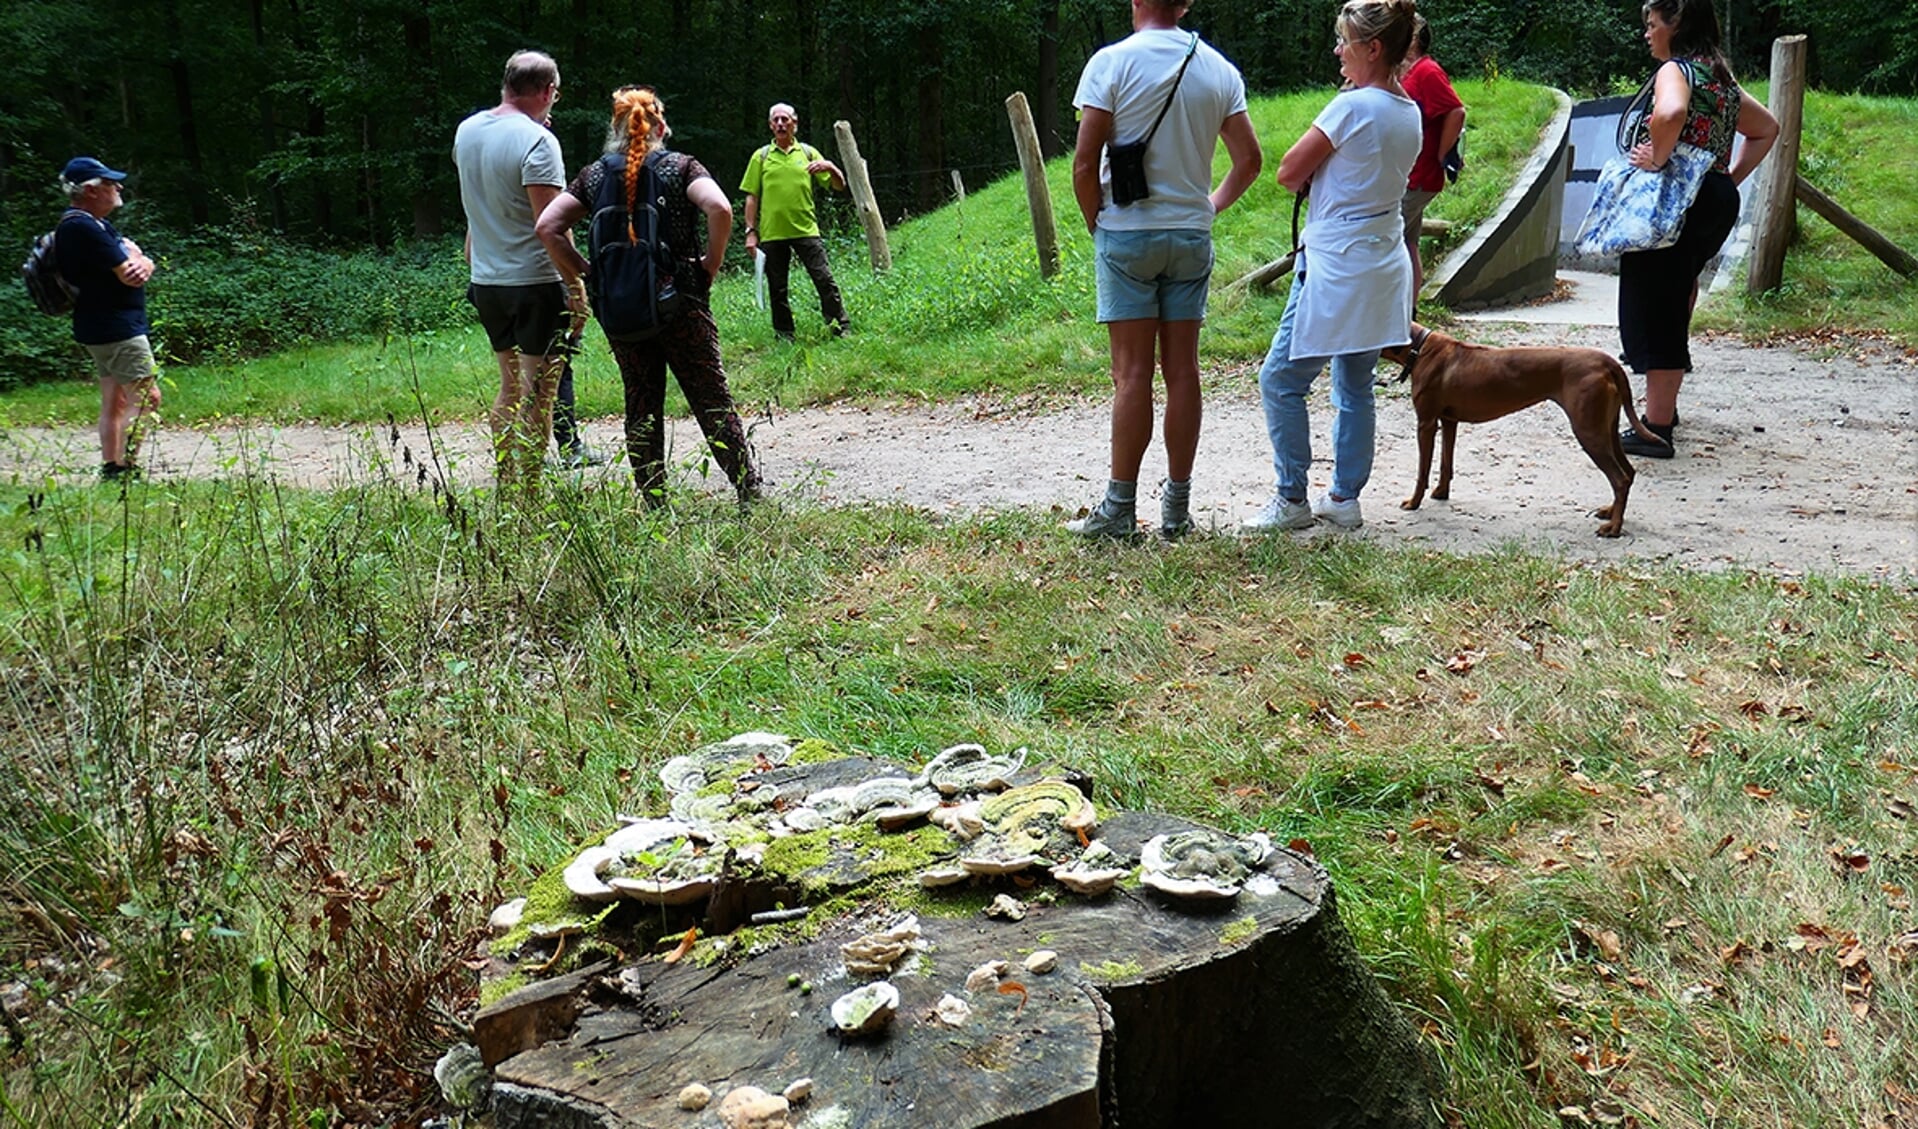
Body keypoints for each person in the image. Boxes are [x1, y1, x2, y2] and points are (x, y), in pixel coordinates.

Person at [1067, 0, 1263, 540]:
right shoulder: (1218, 69)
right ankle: (1177, 512)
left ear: (1135, 1)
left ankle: (1119, 511)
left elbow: (1085, 164)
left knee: (1132, 375)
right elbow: (1249, 160)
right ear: (1186, 3)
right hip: (1190, 238)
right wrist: (1208, 208)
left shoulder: (1111, 63)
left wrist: (1098, 224)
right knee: (1183, 373)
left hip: (1128, 235)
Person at [1242, 0, 1421, 533]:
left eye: (1345, 41)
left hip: (1335, 262)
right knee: (1354, 383)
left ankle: (1291, 497)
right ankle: (1344, 497)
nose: (1338, 50)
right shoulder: (1408, 110)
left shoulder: (1351, 107)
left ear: (1372, 49)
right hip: (1382, 256)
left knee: (1280, 379)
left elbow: (1288, 170)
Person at [536, 86, 761, 507]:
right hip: (682, 302)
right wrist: (709, 265)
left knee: (640, 402)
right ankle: (748, 491)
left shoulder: (596, 175)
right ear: (659, 125)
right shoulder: (680, 167)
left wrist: (588, 273)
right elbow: (720, 209)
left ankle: (655, 503)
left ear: (615, 128)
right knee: (710, 397)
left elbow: (547, 227)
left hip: (622, 309)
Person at [1615, 0, 1777, 459]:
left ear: (1676, 24)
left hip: (1676, 203)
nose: (1647, 34)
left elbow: (1669, 114)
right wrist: (1724, 176)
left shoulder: (1677, 71)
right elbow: (1766, 128)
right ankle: (1666, 407)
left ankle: (1657, 428)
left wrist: (1660, 158)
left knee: (1657, 304)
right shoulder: (1720, 79)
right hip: (1714, 199)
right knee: (1676, 294)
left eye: (1651, 24)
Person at [453, 49, 588, 496]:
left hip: (487, 282)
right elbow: (550, 226)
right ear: (549, 92)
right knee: (538, 395)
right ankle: (528, 498)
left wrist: (476, 260)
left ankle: (508, 487)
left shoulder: (467, 130)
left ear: (507, 84)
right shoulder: (537, 141)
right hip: (534, 283)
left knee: (510, 387)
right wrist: (577, 285)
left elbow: (477, 203)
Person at [54, 156, 160, 482]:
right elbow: (131, 273)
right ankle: (127, 470)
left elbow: (138, 261)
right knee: (148, 397)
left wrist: (142, 257)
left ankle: (111, 469)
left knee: (115, 401)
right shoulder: (82, 226)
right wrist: (137, 256)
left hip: (99, 326)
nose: (118, 187)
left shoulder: (89, 224)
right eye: (110, 183)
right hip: (117, 329)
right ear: (90, 190)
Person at [739, 103, 850, 341]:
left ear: (794, 124)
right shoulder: (761, 157)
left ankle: (839, 326)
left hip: (806, 229)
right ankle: (784, 334)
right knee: (777, 288)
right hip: (772, 233)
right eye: (776, 120)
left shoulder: (808, 153)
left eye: (785, 120)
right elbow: (752, 196)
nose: (780, 124)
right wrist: (750, 231)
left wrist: (830, 167)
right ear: (770, 126)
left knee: (823, 278)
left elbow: (839, 186)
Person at [1398, 15, 1465, 300]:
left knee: (1387, 240)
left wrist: (1441, 153)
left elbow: (1456, 111)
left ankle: (1398, 315)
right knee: (1408, 242)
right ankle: (1408, 312)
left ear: (1413, 37)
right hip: (1408, 175)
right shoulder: (1410, 72)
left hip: (1419, 176)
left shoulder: (1428, 71)